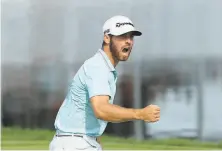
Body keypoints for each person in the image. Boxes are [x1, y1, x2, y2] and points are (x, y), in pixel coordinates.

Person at [49, 15, 160, 151]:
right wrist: (140, 114)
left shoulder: (102, 67)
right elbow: (101, 110)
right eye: (122, 36)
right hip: (76, 144)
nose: (128, 42)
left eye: (131, 37)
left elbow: (89, 113)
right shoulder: (98, 67)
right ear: (107, 38)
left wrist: (96, 140)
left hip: (76, 142)